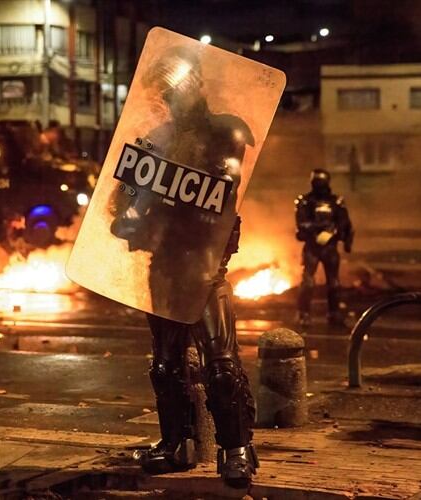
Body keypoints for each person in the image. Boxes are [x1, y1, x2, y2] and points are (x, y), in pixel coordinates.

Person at [110, 45, 258, 488]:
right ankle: (178, 442)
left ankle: (236, 447)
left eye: (176, 86)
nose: (170, 97)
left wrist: (165, 197)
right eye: (165, 90)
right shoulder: (156, 138)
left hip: (204, 264)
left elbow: (220, 191)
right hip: (165, 261)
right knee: (165, 365)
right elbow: (125, 203)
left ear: (195, 84)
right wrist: (131, 215)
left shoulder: (225, 133)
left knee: (222, 363)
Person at [294, 169, 353, 328]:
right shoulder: (305, 201)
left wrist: (338, 235)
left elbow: (345, 224)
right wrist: (320, 228)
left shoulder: (336, 202)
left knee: (334, 283)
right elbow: (301, 224)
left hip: (330, 247)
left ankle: (334, 313)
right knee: (308, 282)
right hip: (312, 247)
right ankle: (303, 313)